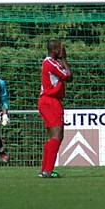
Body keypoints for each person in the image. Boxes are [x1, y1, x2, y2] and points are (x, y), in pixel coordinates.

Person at [37, 39, 72, 178]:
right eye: (61, 48)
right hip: (50, 101)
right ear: (56, 50)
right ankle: (48, 170)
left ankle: (45, 169)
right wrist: (64, 59)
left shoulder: (52, 63)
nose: (63, 50)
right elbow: (68, 76)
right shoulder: (50, 63)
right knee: (57, 135)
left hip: (49, 101)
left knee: (54, 136)